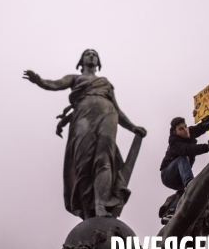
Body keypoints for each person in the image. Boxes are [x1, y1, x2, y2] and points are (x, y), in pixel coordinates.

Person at [23, 49, 147, 219]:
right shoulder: (75, 78)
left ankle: (100, 205)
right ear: (81, 61)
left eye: (94, 54)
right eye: (87, 54)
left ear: (98, 62)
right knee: (83, 163)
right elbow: (55, 84)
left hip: (107, 114)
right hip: (82, 115)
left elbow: (117, 110)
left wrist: (133, 127)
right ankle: (88, 212)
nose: (91, 56)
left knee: (105, 159)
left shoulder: (105, 83)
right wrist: (39, 81)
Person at [158, 112, 209, 222]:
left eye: (185, 126)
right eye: (181, 129)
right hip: (167, 175)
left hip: (179, 177)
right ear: (175, 132)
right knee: (182, 158)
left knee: (185, 192)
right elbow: (190, 149)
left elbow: (201, 128)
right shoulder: (175, 143)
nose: (185, 130)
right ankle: (189, 182)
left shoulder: (189, 132)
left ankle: (171, 211)